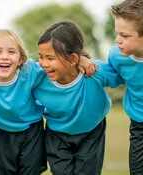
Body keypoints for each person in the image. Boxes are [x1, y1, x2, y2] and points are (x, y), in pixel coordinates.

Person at [0, 28, 96, 174]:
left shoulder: (29, 71)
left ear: (21, 59)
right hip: (0, 133)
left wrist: (81, 58)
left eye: (11, 52)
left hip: (31, 133)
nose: (4, 57)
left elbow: (58, 63)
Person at [33, 20, 124, 175]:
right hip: (57, 134)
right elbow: (15, 69)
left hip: (91, 131)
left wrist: (81, 58)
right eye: (41, 56)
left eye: (50, 58)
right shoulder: (37, 76)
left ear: (73, 59)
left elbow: (123, 74)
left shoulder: (94, 71)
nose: (44, 63)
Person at [109, 0, 143, 174]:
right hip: (139, 125)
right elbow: (108, 75)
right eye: (117, 34)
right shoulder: (116, 55)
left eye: (124, 35)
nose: (118, 40)